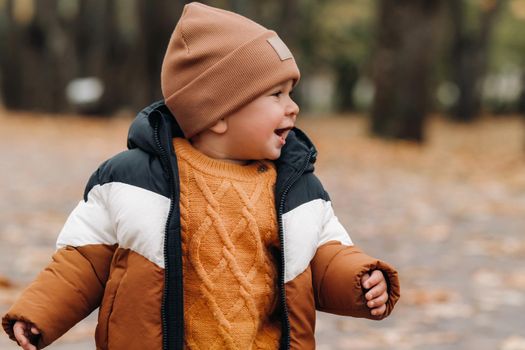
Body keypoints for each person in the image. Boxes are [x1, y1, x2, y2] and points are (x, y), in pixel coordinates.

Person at [2, 2, 400, 350]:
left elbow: (325, 256)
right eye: (276, 95)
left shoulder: (297, 188)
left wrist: (361, 282)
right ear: (219, 113)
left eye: (290, 93)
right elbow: (83, 262)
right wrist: (39, 314)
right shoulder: (131, 181)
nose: (292, 108)